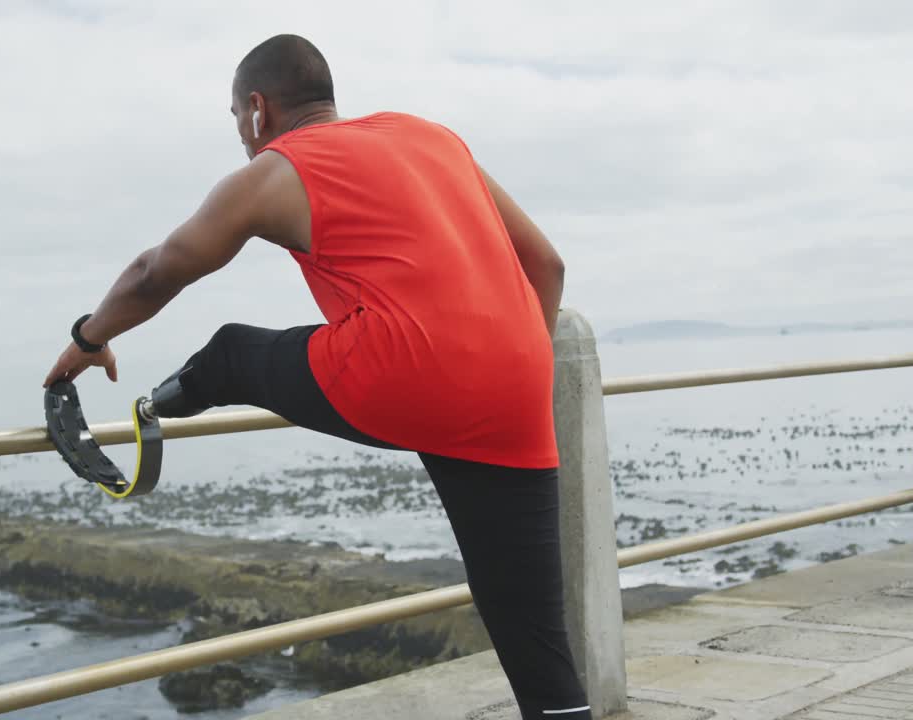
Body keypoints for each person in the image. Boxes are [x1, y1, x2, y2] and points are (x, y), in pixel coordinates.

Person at [43, 34, 589, 720]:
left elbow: (163, 267)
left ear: (257, 111)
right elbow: (549, 267)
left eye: (237, 118)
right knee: (537, 647)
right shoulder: (431, 137)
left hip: (402, 374)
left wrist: (88, 338)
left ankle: (155, 408)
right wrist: (499, 371)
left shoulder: (278, 168)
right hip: (516, 389)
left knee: (234, 353)